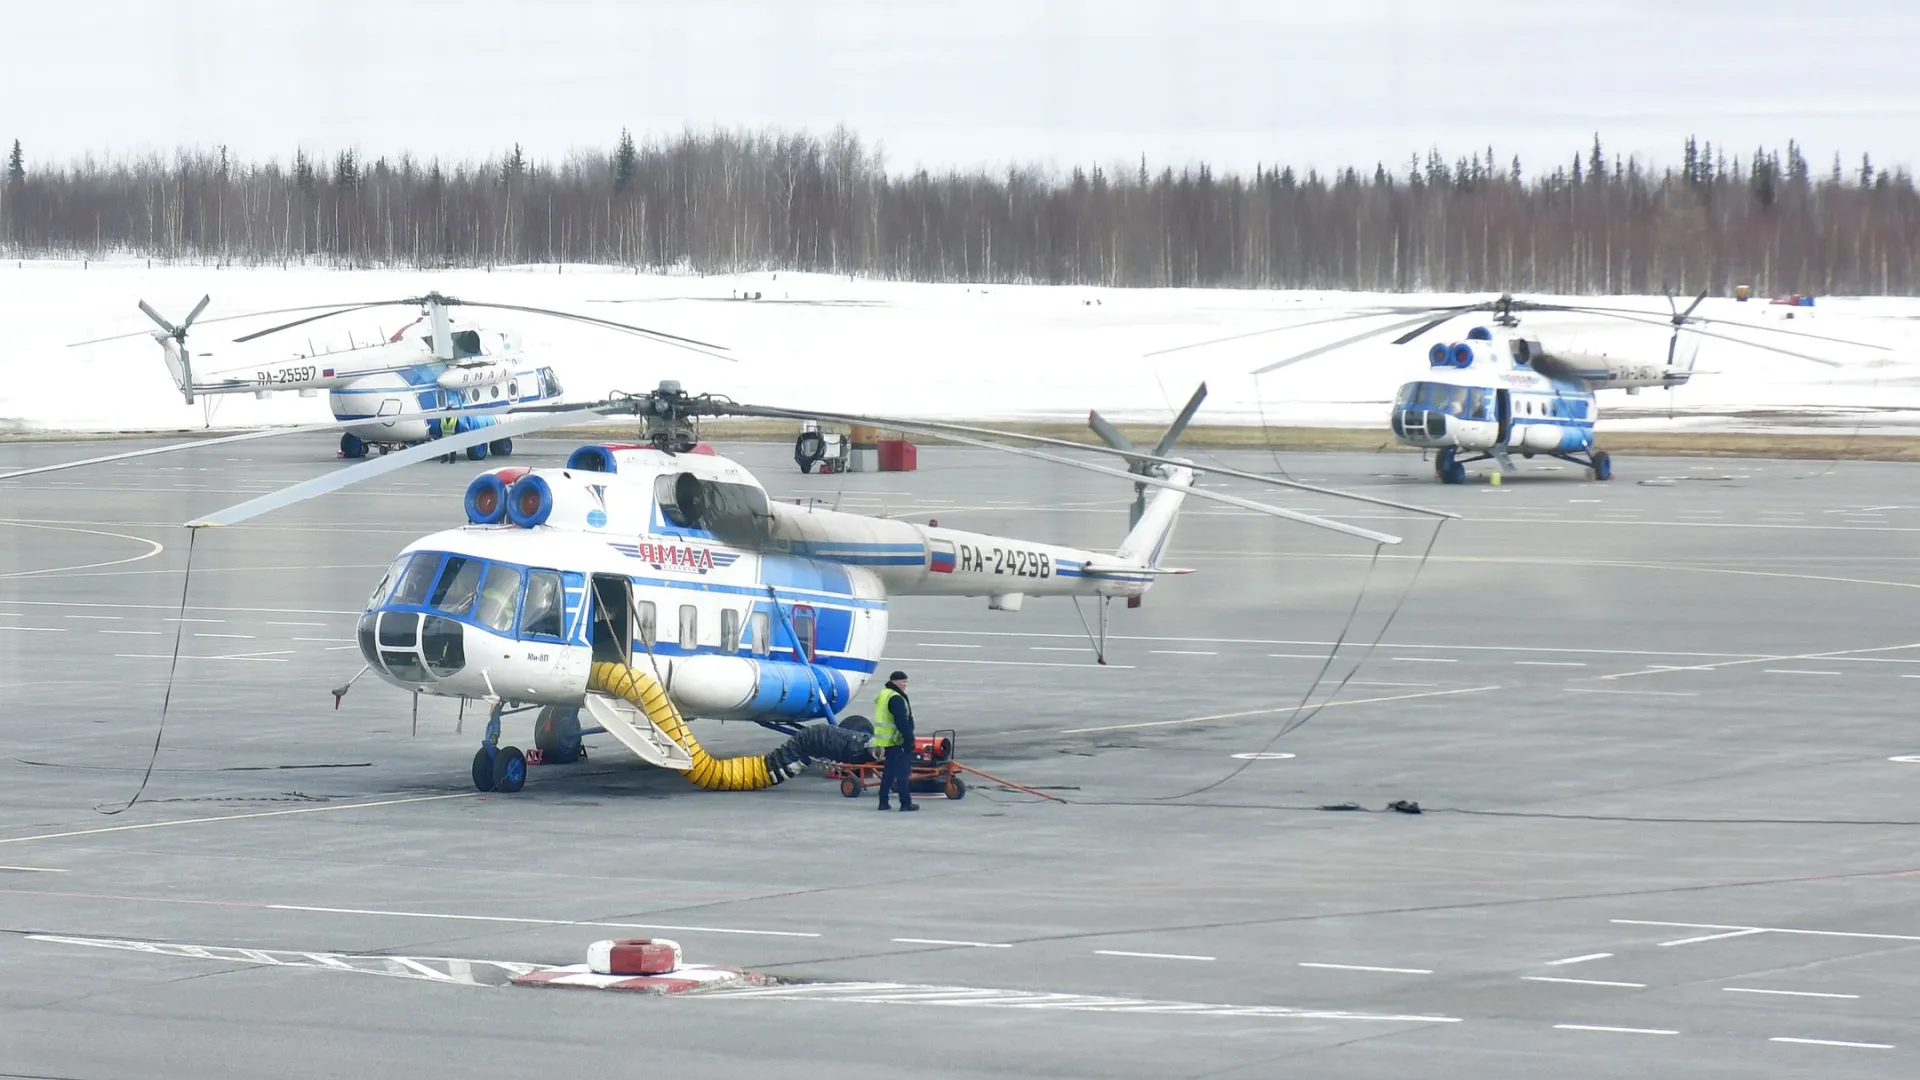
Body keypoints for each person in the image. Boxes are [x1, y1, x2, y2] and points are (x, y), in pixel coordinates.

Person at [870, 670, 917, 812]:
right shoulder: (896, 698)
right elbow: (901, 722)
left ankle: (883, 802)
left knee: (889, 773)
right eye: (903, 682)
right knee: (903, 773)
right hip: (897, 740)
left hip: (887, 741)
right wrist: (909, 739)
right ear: (895, 682)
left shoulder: (884, 694)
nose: (905, 685)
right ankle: (905, 803)